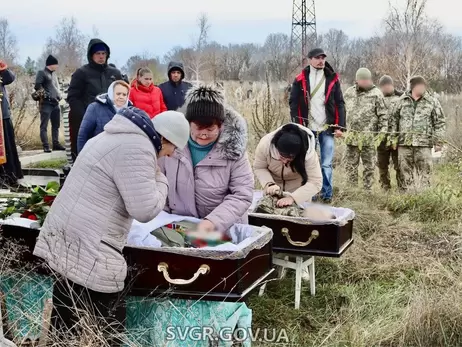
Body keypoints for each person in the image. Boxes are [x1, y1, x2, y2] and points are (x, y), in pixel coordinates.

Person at [33, 107, 190, 345]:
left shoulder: (114, 134)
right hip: (92, 243)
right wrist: (161, 180)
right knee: (110, 326)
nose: (169, 155)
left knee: (65, 320)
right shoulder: (139, 148)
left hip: (68, 235)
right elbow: (145, 210)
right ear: (165, 139)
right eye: (173, 149)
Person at [158, 84, 254, 232]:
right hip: (179, 230)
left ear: (220, 126)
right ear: (188, 124)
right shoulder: (170, 146)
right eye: (198, 128)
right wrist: (161, 221)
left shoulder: (233, 152)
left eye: (210, 129)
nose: (203, 134)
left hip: (223, 231)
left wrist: (212, 222)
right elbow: (159, 185)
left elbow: (242, 194)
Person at [289, 48, 345, 203]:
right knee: (308, 161)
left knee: (326, 164)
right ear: (310, 59)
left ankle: (327, 195)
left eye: (323, 58)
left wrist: (339, 126)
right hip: (308, 128)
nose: (321, 61)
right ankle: (310, 193)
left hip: (327, 127)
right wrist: (297, 126)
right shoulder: (300, 79)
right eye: (317, 58)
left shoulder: (332, 78)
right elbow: (293, 103)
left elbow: (340, 103)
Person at [67, 38, 123, 161]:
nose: (101, 56)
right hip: (88, 120)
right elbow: (73, 97)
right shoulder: (81, 73)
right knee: (88, 155)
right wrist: (84, 116)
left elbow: (123, 94)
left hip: (112, 119)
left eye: (103, 53)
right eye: (97, 53)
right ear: (91, 55)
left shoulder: (115, 73)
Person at [390, 76, 446, 189]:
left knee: (425, 173)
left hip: (423, 145)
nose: (422, 88)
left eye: (424, 86)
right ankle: (408, 197)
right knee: (405, 172)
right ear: (413, 87)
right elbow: (393, 121)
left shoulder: (432, 102)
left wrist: (438, 141)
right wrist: (393, 140)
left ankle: (424, 198)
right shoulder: (401, 101)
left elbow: (440, 122)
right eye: (420, 86)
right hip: (404, 144)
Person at [253, 123, 323, 207]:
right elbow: (259, 167)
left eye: (290, 158)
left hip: (298, 190)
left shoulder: (308, 154)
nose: (285, 161)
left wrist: (293, 198)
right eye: (282, 157)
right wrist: (269, 184)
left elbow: (315, 182)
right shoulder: (265, 145)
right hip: (273, 189)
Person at [343, 68, 388, 190]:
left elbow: (384, 115)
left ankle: (367, 191)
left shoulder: (376, 94)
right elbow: (342, 111)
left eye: (367, 79)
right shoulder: (348, 93)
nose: (365, 82)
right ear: (357, 80)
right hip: (352, 138)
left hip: (369, 138)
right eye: (362, 79)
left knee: (369, 167)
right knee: (350, 166)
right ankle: (351, 190)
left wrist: (381, 134)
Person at [77, 80, 131, 153]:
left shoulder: (131, 111)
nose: (121, 97)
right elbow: (83, 135)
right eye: (118, 94)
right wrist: (82, 157)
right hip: (98, 155)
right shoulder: (95, 108)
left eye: (124, 95)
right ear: (111, 93)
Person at [377, 75, 404, 190]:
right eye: (383, 86)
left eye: (388, 85)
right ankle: (385, 188)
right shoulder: (378, 99)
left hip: (397, 139)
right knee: (382, 165)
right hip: (382, 138)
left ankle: (402, 188)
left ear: (392, 85)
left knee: (399, 166)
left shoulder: (401, 98)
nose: (386, 88)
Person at [34, 55, 65, 152]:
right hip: (46, 103)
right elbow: (37, 86)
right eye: (56, 64)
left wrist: (58, 96)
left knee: (56, 125)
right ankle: (46, 146)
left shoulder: (53, 74)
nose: (57, 66)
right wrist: (47, 95)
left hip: (55, 103)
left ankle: (56, 144)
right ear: (51, 64)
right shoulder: (42, 73)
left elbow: (55, 87)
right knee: (44, 126)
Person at [0, 60, 23, 188]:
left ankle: (10, 177)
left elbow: (10, 78)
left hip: (2, 116)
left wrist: (2, 68)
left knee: (7, 148)